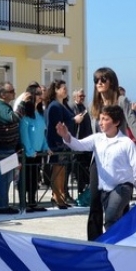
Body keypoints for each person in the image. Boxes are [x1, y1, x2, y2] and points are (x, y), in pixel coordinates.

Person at [86, 68, 136, 239]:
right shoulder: (93, 105)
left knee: (119, 206)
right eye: (96, 80)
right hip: (99, 160)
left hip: (119, 160)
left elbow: (134, 126)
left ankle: (122, 239)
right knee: (95, 203)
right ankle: (94, 242)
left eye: (103, 79)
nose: (99, 83)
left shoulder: (121, 101)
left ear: (112, 81)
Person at [56, 104, 136, 231]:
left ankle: (111, 247)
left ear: (116, 122)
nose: (101, 122)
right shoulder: (97, 138)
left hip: (122, 187)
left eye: (105, 119)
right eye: (100, 118)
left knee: (110, 218)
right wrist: (66, 136)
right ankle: (122, 244)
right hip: (105, 188)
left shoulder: (127, 143)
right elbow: (79, 145)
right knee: (117, 221)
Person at [44, 79, 80, 209]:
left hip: (63, 143)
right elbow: (56, 125)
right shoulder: (54, 106)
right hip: (57, 143)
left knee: (63, 170)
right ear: (56, 90)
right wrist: (74, 120)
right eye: (63, 88)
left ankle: (61, 197)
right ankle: (57, 197)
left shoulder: (62, 105)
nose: (66, 90)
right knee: (58, 170)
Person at [0, 81, 22, 215]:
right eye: (11, 91)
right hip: (3, 149)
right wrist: (23, 103)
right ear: (3, 94)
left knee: (6, 178)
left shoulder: (4, 106)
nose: (14, 93)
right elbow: (13, 118)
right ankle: (1, 206)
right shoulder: (1, 108)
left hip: (9, 148)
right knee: (4, 178)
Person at [19, 87, 51, 213]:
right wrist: (30, 150)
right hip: (27, 154)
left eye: (41, 93)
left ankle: (32, 202)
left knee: (34, 179)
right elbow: (24, 134)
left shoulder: (39, 114)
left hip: (37, 153)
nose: (40, 95)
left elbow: (42, 134)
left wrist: (46, 147)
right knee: (25, 179)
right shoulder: (25, 115)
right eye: (37, 94)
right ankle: (24, 203)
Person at [70, 88, 92, 197]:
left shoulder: (85, 108)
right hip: (77, 142)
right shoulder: (72, 108)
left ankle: (84, 191)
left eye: (83, 96)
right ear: (75, 97)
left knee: (85, 169)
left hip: (86, 142)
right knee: (78, 169)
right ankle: (79, 190)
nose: (82, 98)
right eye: (80, 96)